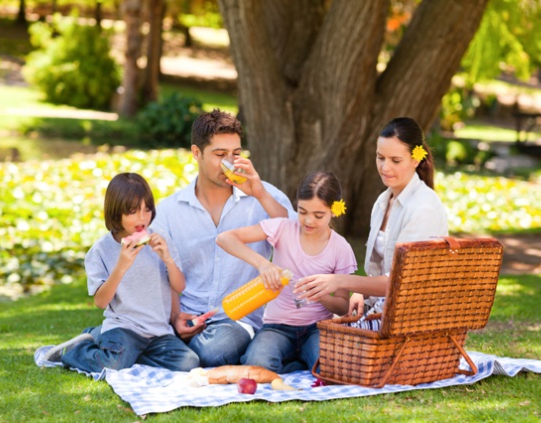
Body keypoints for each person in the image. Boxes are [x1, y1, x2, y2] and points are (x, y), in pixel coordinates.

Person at [150, 109, 295, 367]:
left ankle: (181, 353)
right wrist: (174, 317)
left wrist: (260, 194)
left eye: (236, 154)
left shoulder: (264, 195)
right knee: (145, 331)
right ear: (196, 153)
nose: (230, 163)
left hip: (238, 318)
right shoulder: (170, 211)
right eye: (220, 155)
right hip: (189, 313)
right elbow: (160, 272)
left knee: (214, 352)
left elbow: (297, 237)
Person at [45, 173, 200, 373]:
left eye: (147, 209)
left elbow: (179, 286)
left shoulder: (161, 239)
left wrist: (167, 258)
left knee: (189, 363)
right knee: (111, 365)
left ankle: (117, 348)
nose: (142, 218)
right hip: (124, 328)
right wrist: (121, 266)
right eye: (133, 211)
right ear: (116, 212)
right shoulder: (100, 250)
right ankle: (76, 349)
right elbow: (101, 302)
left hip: (158, 332)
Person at [295, 117, 448, 319]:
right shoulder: (382, 202)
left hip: (409, 319)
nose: (385, 167)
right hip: (381, 309)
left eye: (395, 160)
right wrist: (360, 292)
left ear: (415, 159)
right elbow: (380, 273)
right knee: (308, 323)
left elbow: (399, 281)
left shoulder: (424, 208)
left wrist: (339, 281)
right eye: (380, 157)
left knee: (320, 333)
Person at [215, 171, 357, 373]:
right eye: (302, 211)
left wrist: (322, 295)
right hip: (277, 327)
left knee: (333, 368)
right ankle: (297, 362)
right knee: (257, 364)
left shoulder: (340, 248)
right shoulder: (283, 228)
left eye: (318, 215)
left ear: (334, 211)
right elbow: (224, 238)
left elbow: (343, 308)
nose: (308, 221)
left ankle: (295, 362)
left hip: (317, 328)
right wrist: (263, 264)